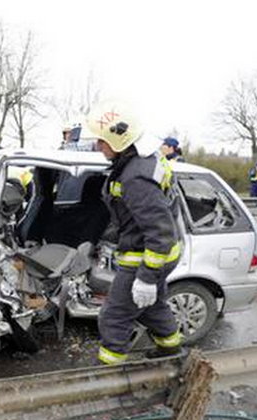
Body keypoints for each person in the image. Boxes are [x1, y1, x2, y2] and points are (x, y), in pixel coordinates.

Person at [86, 100, 184, 364]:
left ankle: (105, 375)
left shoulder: (135, 178)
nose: (98, 146)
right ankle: (171, 350)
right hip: (157, 251)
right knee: (152, 307)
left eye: (102, 141)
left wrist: (147, 278)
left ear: (120, 142)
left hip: (148, 255)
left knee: (115, 315)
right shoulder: (144, 160)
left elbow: (160, 233)